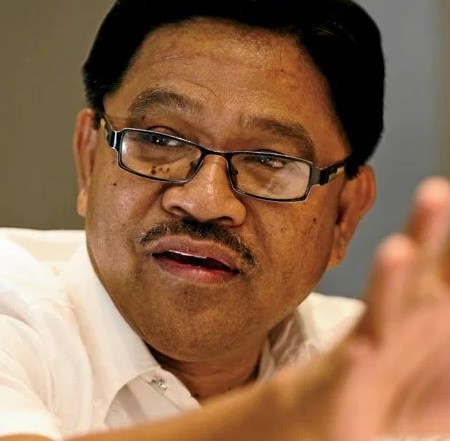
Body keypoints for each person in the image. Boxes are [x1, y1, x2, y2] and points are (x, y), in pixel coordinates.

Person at [0, 0, 449, 440]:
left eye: (268, 160)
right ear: (89, 159)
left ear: (345, 215)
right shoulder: (14, 307)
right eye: (160, 139)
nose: (205, 201)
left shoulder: (385, 367)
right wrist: (302, 411)